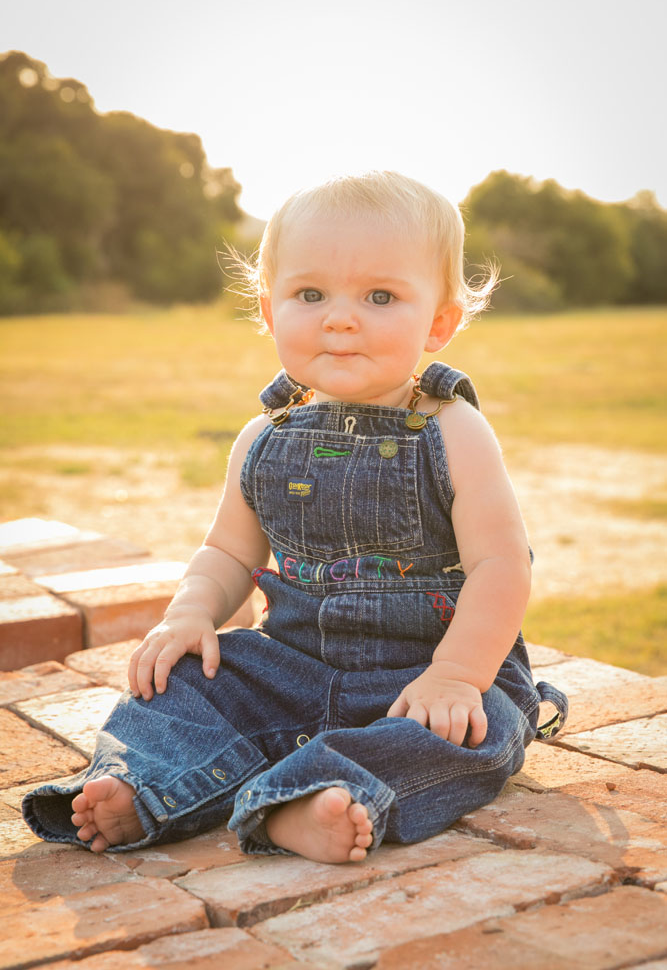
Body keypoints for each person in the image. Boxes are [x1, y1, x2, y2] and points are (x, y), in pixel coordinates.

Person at [23, 171, 567, 864]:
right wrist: (189, 613)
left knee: (482, 730)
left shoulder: (452, 429)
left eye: (379, 296)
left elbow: (500, 564)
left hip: (423, 673)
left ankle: (314, 799)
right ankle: (141, 786)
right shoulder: (263, 436)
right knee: (187, 684)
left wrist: (458, 673)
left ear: (438, 322)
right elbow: (227, 553)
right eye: (310, 294)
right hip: (288, 665)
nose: (339, 317)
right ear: (270, 310)